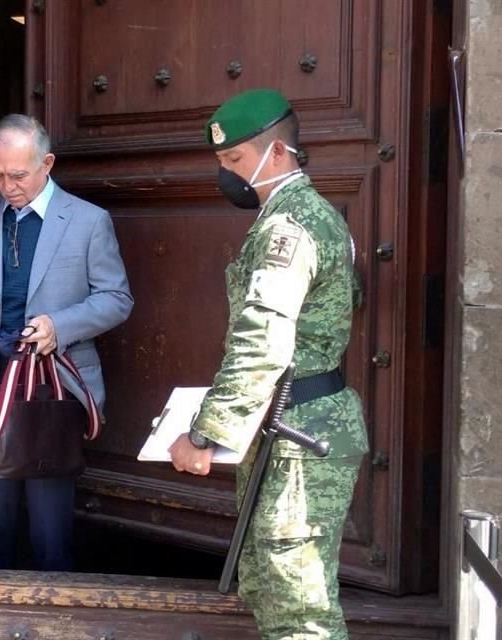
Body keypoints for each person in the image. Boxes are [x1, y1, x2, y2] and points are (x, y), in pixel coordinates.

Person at [168, 89, 368, 639]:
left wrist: (205, 435)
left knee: (299, 612)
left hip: (300, 435)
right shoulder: (312, 215)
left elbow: (262, 343)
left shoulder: (289, 227)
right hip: (293, 427)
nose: (227, 175)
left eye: (234, 160)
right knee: (275, 591)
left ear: (276, 152)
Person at [0, 114, 133, 571]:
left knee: (50, 532)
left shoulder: (89, 221)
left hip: (53, 389)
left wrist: (60, 326)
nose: (6, 185)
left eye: (17, 175)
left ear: (47, 163)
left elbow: (117, 298)